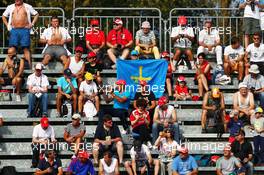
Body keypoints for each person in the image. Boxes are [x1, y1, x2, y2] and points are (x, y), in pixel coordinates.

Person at [2, 0, 39, 68]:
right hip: (14, 30)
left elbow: (36, 14)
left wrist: (32, 24)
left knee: (26, 49)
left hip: (24, 30)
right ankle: (11, 67)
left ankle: (30, 68)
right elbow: (3, 16)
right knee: (12, 49)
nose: (17, 0)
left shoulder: (27, 6)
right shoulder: (10, 7)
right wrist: (8, 26)